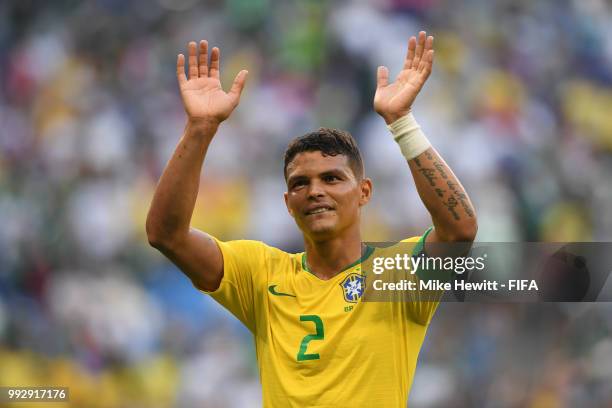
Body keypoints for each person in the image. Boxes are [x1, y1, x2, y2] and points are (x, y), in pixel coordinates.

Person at [146, 31, 477, 407]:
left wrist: (401, 122)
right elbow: (165, 235)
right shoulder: (261, 274)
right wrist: (200, 129)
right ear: (288, 203)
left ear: (364, 192)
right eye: (300, 183)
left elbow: (460, 229)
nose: (315, 191)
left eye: (332, 178)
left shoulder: (396, 275)